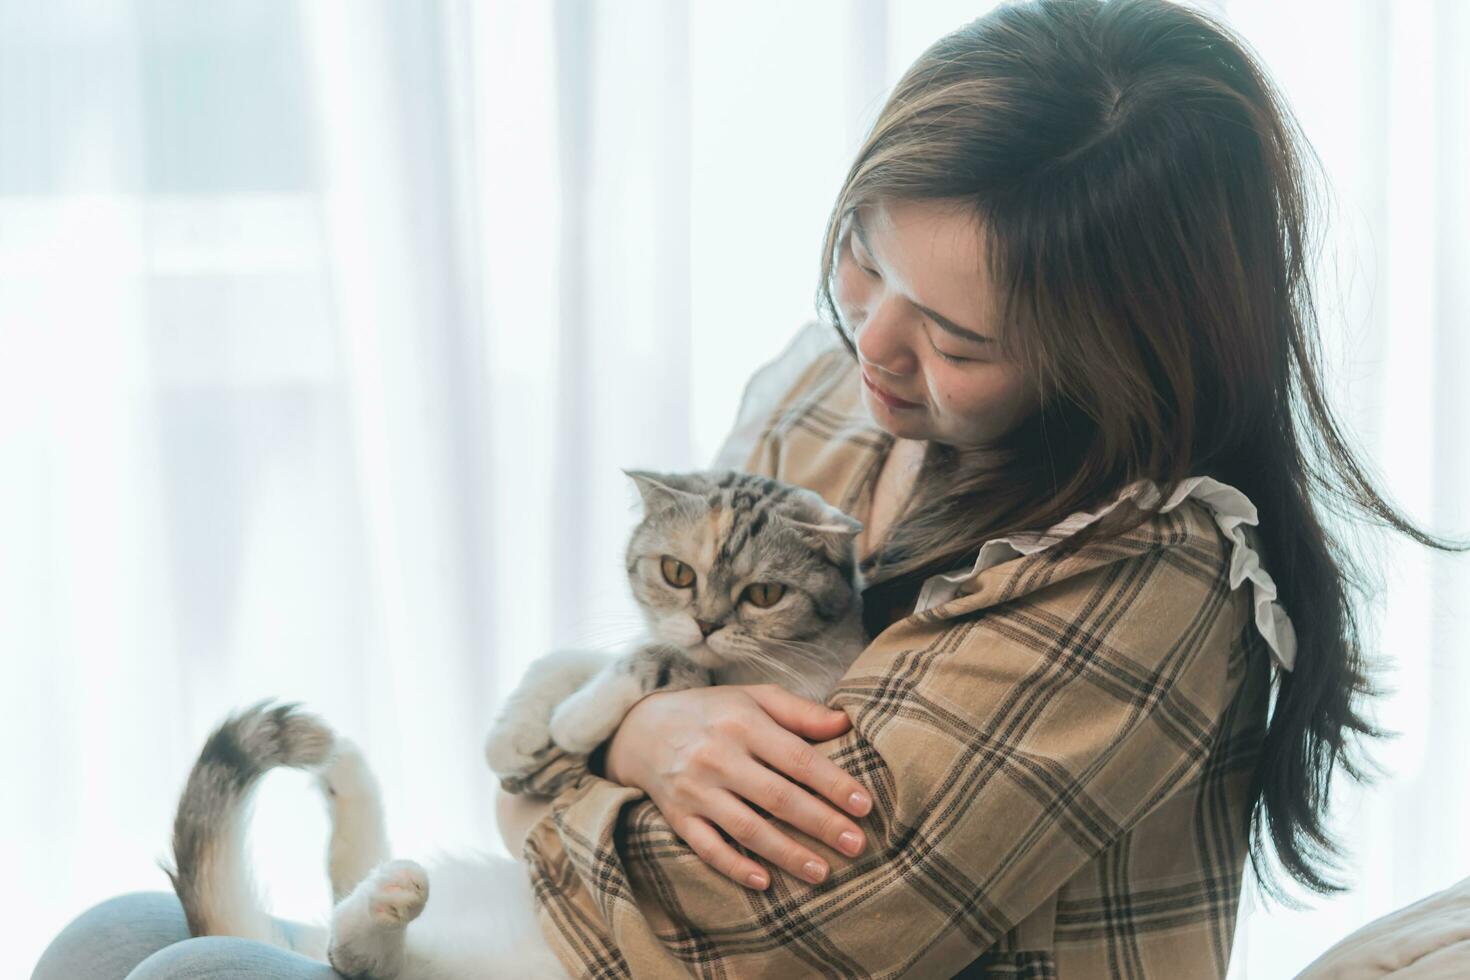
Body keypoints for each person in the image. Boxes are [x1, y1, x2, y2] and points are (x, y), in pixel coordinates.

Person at [31, 1, 1465, 978]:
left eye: (956, 340)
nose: (874, 350)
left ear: (1127, 356)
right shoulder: (828, 388)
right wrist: (643, 727)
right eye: (864, 259)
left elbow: (751, 931)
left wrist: (594, 738)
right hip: (610, 937)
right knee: (116, 934)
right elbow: (582, 730)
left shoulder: (1151, 578)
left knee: (199, 966)